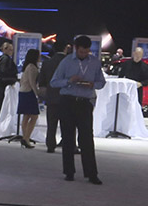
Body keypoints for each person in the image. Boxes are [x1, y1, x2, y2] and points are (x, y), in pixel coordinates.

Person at [50, 35, 106, 184]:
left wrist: (92, 84)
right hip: (67, 102)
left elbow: (102, 82)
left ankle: (91, 173)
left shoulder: (94, 62)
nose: (84, 54)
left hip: (84, 103)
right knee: (68, 138)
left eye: (86, 52)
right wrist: (69, 81)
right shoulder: (66, 61)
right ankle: (69, 172)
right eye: (81, 52)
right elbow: (54, 82)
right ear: (75, 49)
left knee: (86, 138)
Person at [39, 43, 70, 153]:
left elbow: (41, 82)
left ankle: (50, 145)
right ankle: (68, 144)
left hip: (51, 97)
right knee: (67, 124)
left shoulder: (47, 63)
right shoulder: (70, 62)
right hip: (66, 97)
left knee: (51, 124)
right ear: (66, 48)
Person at [0, 40, 18, 139]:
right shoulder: (5, 59)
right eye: (10, 49)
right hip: (2, 87)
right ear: (5, 49)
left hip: (1, 86)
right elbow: (3, 74)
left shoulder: (4, 59)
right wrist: (14, 79)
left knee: (1, 109)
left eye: (12, 49)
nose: (11, 51)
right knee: (1, 109)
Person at [16, 48, 41, 148]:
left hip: (24, 91)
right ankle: (26, 137)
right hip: (28, 92)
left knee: (26, 116)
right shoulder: (31, 67)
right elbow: (32, 82)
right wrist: (37, 93)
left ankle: (25, 138)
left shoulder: (28, 66)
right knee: (34, 116)